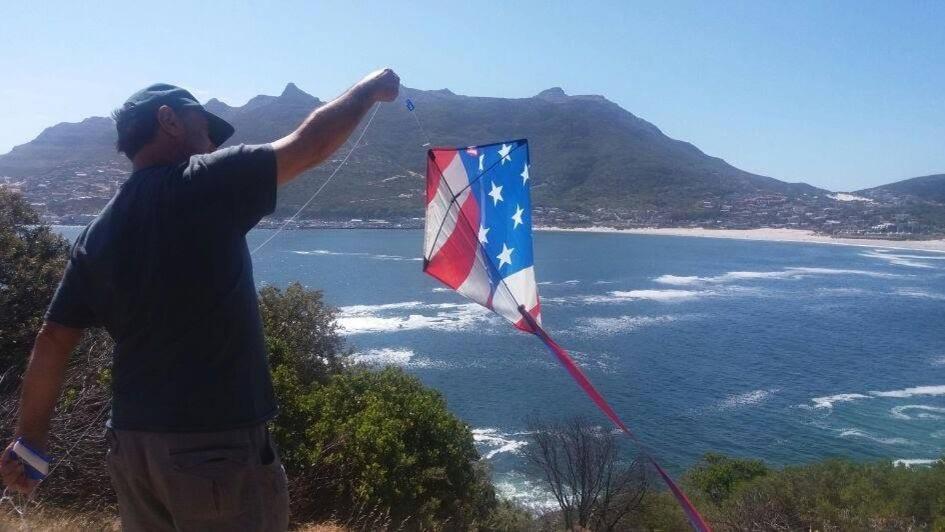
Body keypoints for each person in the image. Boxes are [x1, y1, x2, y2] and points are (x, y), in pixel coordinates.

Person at [0, 69, 400, 531]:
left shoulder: (96, 234)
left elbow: (52, 339)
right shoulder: (203, 181)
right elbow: (310, 144)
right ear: (168, 120)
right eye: (205, 128)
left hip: (132, 448)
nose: (211, 143)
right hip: (216, 449)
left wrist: (28, 440)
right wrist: (369, 90)